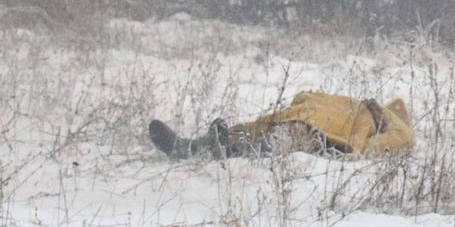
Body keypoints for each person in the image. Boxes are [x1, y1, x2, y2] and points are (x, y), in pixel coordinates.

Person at [148, 91, 416, 160]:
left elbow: (372, 148)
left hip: (312, 131)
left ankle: (210, 149)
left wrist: (350, 150)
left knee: (267, 141)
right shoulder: (362, 107)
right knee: (255, 133)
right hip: (304, 122)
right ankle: (203, 145)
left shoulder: (396, 128)